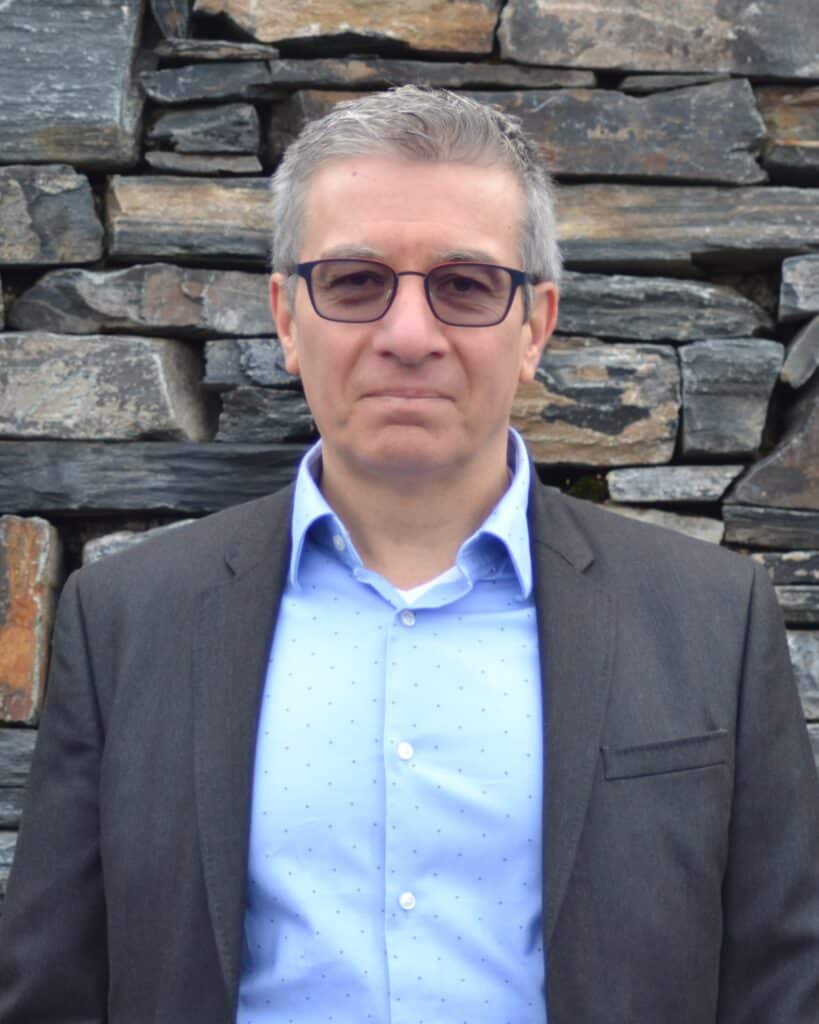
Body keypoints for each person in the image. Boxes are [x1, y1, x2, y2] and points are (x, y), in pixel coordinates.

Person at [1, 85, 818, 1024]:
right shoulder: (127, 618)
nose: (408, 335)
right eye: (355, 282)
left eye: (464, 286)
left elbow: (782, 982)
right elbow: (53, 990)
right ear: (286, 318)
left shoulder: (710, 618)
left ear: (535, 326)